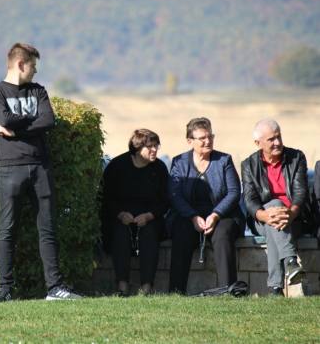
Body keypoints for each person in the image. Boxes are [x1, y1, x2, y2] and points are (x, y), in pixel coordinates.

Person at [0, 42, 81, 301]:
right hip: (9, 168)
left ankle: (55, 289)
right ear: (20, 64)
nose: (36, 72)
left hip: (41, 167)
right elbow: (3, 118)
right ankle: (4, 290)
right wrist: (28, 121)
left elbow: (48, 120)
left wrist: (16, 130)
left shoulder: (38, 90)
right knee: (8, 229)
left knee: (47, 229)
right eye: (33, 66)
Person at [168, 117, 245, 294]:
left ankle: (229, 291)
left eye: (210, 136)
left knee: (223, 235)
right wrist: (193, 216)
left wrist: (216, 214)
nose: (207, 141)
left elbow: (234, 192)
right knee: (181, 232)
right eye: (202, 138)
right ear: (190, 141)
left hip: (223, 214)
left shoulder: (224, 160)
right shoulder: (179, 162)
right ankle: (176, 293)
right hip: (188, 215)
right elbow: (175, 195)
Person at [241, 118, 307, 296]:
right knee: (274, 209)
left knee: (274, 226)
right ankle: (290, 262)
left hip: (292, 218)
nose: (277, 142)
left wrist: (291, 213)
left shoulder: (296, 157)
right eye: (271, 139)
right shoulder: (248, 165)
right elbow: (249, 198)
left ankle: (275, 288)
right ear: (258, 143)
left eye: (278, 137)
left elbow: (300, 192)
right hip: (261, 220)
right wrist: (263, 215)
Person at [101, 129, 169, 296]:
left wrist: (149, 216)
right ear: (137, 148)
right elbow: (104, 199)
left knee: (150, 232)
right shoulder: (117, 166)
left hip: (149, 216)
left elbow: (165, 201)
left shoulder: (159, 168)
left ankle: (146, 288)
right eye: (150, 146)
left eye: (156, 146)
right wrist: (120, 214)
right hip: (121, 216)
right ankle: (122, 287)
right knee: (119, 232)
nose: (155, 150)